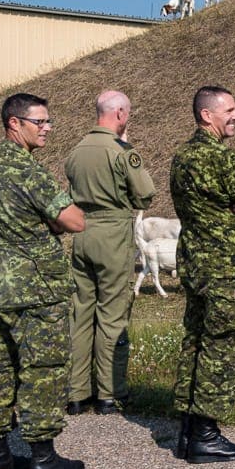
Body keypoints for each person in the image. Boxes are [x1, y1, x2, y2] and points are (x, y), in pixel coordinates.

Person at [0, 92, 89, 469]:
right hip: (36, 286)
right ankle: (42, 457)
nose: (47, 129)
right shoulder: (28, 170)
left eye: (48, 121)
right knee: (44, 368)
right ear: (14, 124)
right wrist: (54, 222)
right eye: (39, 122)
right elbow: (74, 221)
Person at [170, 85, 235, 463]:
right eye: (229, 110)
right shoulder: (222, 159)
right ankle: (206, 434)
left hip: (195, 263)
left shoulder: (181, 157)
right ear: (206, 115)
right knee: (221, 343)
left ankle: (188, 430)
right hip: (223, 266)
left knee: (195, 339)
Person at [64, 91, 156, 416]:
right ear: (119, 114)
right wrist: (128, 147)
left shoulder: (76, 151)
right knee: (112, 312)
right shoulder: (121, 151)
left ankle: (76, 394)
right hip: (113, 234)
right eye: (127, 114)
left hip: (82, 233)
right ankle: (109, 392)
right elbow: (145, 195)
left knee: (81, 311)